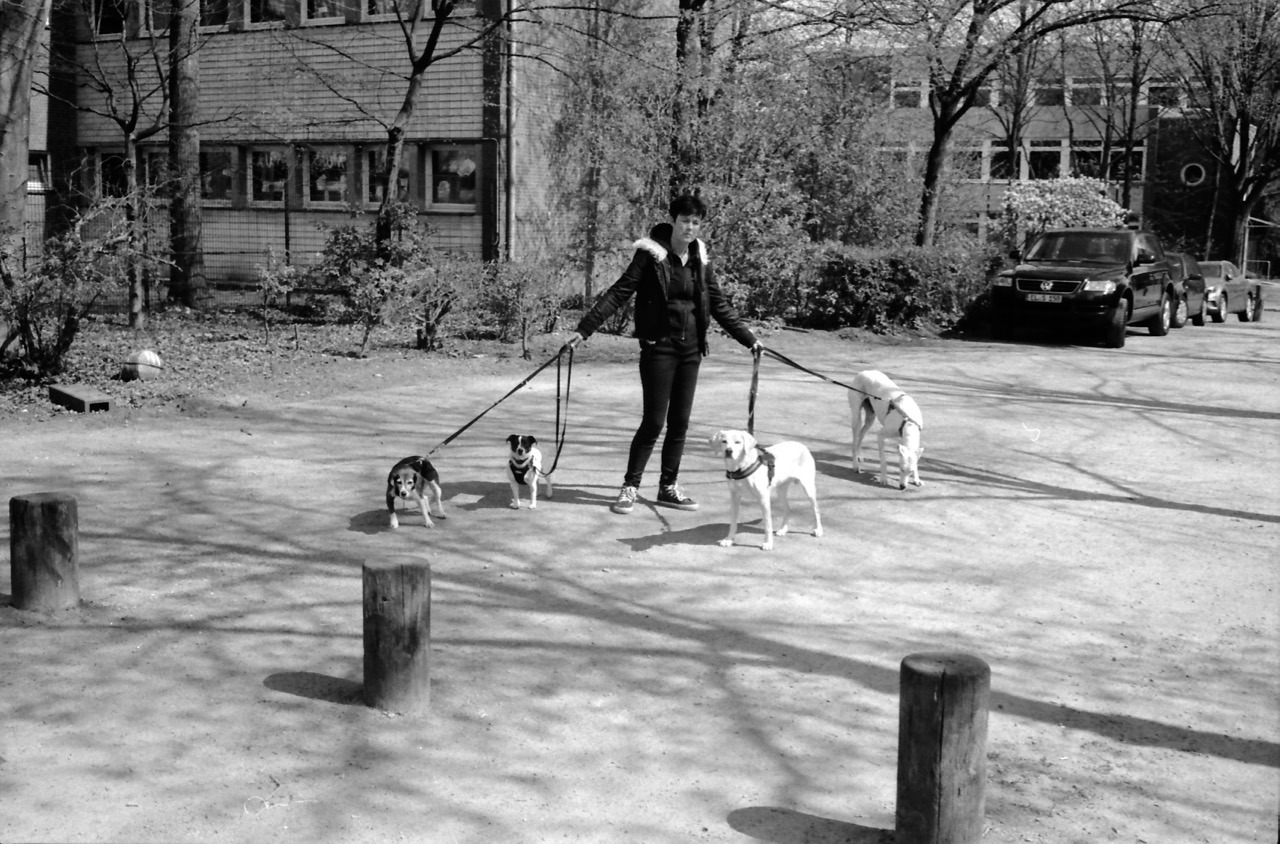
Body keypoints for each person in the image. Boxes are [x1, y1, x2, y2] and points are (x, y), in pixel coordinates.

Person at [567, 194, 761, 515]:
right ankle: (630, 486)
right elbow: (620, 291)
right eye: (685, 220)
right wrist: (584, 329)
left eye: (696, 222)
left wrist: (749, 338)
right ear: (674, 220)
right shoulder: (651, 255)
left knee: (680, 423)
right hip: (659, 348)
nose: (690, 227)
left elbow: (719, 303)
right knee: (654, 422)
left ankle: (668, 487)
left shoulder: (700, 257)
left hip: (690, 352)